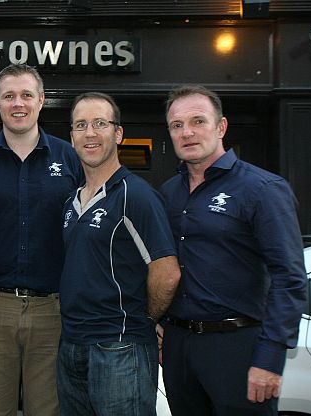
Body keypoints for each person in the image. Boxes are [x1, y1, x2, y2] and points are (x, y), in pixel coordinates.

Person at [159, 85, 307, 415]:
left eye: (198, 121)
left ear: (221, 127)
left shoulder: (262, 189)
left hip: (239, 347)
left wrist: (270, 357)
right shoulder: (170, 192)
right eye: (177, 125)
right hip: (179, 346)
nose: (187, 132)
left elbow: (290, 278)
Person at [0, 64, 83, 415]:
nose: (18, 103)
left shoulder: (70, 159)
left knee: (51, 409)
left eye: (27, 95)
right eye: (9, 96)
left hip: (54, 309)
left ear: (41, 101)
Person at [56, 92, 181, 415]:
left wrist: (145, 319)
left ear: (118, 133)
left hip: (119, 346)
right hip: (72, 343)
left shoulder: (136, 196)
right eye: (81, 125)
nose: (90, 133)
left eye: (100, 123)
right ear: (71, 138)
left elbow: (167, 272)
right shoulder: (71, 201)